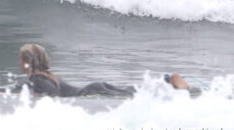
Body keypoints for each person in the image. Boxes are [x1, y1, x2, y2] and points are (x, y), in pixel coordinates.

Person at [12, 43, 197, 97]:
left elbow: (53, 94)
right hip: (94, 87)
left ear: (27, 62)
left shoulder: (37, 79)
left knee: (132, 96)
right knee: (134, 93)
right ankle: (169, 84)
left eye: (21, 59)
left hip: (90, 91)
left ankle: (177, 87)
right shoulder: (45, 76)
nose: (19, 63)